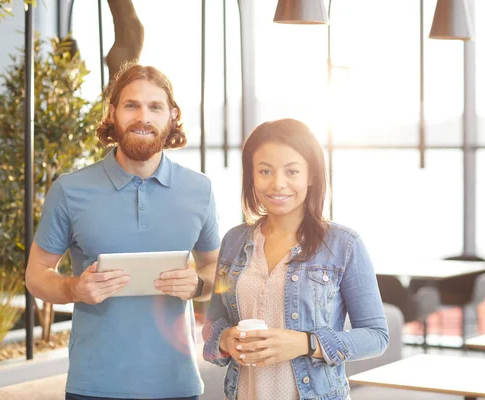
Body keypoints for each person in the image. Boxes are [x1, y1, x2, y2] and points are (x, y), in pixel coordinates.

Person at [25, 63, 220, 400]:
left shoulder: (199, 190)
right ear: (113, 113)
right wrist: (74, 288)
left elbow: (219, 270)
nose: (143, 116)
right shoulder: (70, 190)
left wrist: (199, 284)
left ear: (172, 116)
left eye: (155, 107)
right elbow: (36, 276)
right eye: (131, 105)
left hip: (177, 385)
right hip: (94, 386)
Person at [202, 118, 389, 400]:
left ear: (310, 175)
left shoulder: (344, 245)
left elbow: (377, 336)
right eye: (265, 171)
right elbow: (212, 325)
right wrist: (226, 339)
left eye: (291, 171)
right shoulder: (233, 242)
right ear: (251, 175)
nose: (278, 184)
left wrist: (305, 343)